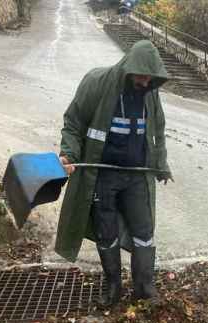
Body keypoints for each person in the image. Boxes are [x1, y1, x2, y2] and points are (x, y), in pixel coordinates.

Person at [55, 40, 173, 307]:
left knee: (144, 230)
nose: (144, 82)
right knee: (106, 232)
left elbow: (158, 131)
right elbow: (73, 123)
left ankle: (144, 288)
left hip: (136, 176)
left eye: (150, 77)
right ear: (128, 67)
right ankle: (113, 287)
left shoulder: (150, 92)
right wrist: (69, 154)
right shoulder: (97, 82)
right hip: (102, 175)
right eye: (141, 75)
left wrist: (162, 165)